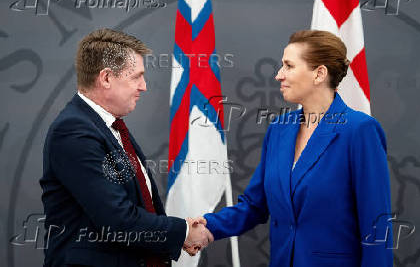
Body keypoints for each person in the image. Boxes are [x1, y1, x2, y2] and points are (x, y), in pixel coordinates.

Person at [192, 30, 393, 266]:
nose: (279, 75)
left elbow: (376, 224)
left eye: (288, 66)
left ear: (319, 74)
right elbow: (255, 205)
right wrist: (206, 228)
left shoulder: (360, 130)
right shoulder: (279, 130)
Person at [40, 28, 212, 267]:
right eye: (136, 77)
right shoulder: (73, 132)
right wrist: (183, 232)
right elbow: (117, 220)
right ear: (106, 78)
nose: (144, 86)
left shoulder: (109, 126)